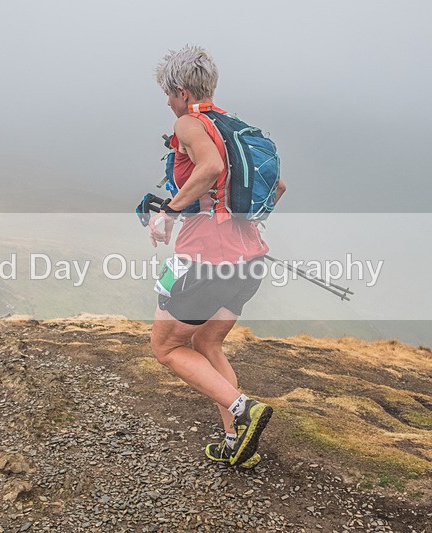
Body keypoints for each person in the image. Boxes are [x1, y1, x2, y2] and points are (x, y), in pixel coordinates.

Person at [149, 45, 286, 467]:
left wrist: (169, 212)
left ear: (182, 90)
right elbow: (278, 187)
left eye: (168, 94)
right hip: (250, 258)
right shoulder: (234, 127)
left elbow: (208, 168)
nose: (167, 103)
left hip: (206, 260)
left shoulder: (190, 123)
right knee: (207, 341)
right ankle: (234, 443)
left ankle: (246, 409)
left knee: (166, 347)